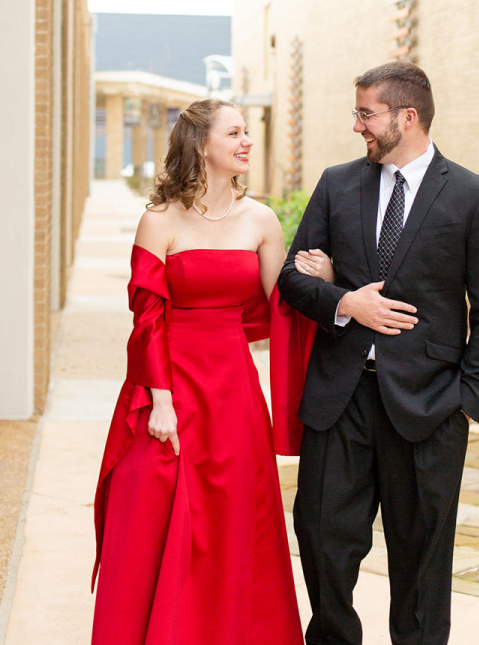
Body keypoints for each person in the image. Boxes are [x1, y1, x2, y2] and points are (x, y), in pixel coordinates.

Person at [278, 62, 479, 645]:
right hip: (340, 400)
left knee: (421, 562)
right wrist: (345, 302)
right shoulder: (338, 183)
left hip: (430, 408)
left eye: (366, 113)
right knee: (321, 537)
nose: (357, 125)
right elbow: (291, 277)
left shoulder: (472, 196)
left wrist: (467, 399)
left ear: (406, 117)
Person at [90, 98, 329, 645]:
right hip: (166, 384)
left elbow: (282, 306)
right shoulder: (160, 220)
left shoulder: (261, 219)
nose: (246, 141)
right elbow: (147, 317)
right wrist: (163, 399)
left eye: (247, 132)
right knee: (149, 513)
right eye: (235, 133)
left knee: (232, 520)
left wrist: (327, 279)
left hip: (234, 392)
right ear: (201, 145)